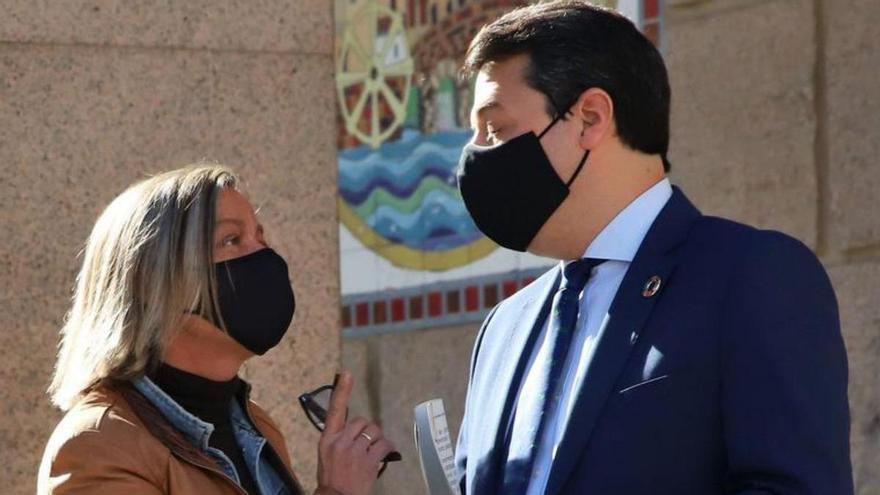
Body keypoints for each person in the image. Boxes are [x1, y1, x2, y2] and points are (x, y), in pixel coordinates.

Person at [453, 2, 853, 494]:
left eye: (496, 129)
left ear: (590, 117)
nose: (475, 155)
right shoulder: (503, 330)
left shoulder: (752, 276)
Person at [38, 165, 396, 495]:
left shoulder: (255, 425)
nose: (263, 257)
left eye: (260, 237)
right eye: (230, 240)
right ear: (154, 282)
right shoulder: (99, 444)